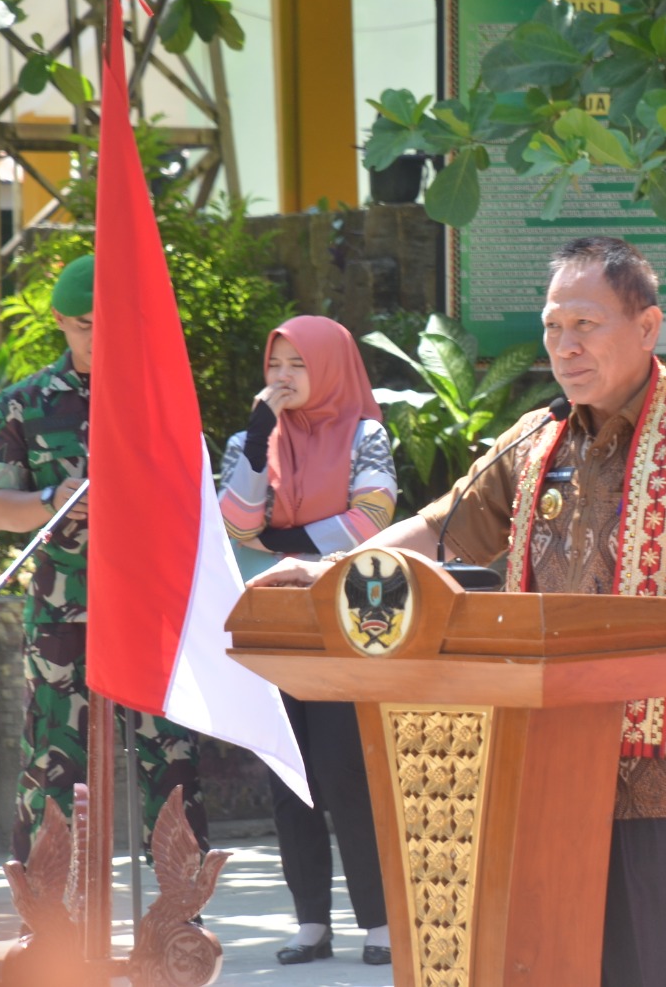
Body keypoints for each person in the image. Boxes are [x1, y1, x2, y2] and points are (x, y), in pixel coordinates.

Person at [253, 236, 666, 986]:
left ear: (648, 326)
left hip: (662, 757)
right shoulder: (536, 439)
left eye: (585, 325)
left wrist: (645, 644)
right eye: (552, 327)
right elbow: (441, 525)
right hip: (541, 749)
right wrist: (330, 569)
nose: (564, 346)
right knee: (552, 955)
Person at [0, 254, 208, 865]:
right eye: (83, 324)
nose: (95, 335)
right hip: (63, 608)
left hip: (148, 603)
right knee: (52, 760)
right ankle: (48, 912)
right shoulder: (25, 402)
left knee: (171, 758)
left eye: (106, 323)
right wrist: (51, 499)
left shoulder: (157, 398)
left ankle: (182, 912)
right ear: (58, 320)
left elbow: (195, 494)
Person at [217, 315, 396, 967]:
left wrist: (287, 543)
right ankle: (311, 922)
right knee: (287, 771)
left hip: (348, 619)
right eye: (275, 365)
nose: (283, 377)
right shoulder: (251, 437)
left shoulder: (364, 433)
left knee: (347, 769)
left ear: (331, 367)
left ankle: (379, 922)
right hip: (276, 624)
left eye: (297, 364)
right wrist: (260, 436)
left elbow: (374, 515)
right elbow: (235, 523)